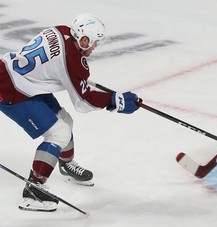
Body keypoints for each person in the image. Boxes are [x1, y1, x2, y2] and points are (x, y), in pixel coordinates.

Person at [0, 13, 140, 212]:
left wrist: (78, 79)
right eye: (93, 42)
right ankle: (33, 190)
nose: (95, 47)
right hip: (13, 90)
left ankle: (65, 164)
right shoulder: (73, 61)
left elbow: (58, 65)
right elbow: (83, 102)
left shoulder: (62, 30)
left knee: (64, 120)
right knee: (59, 133)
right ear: (83, 40)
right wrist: (113, 101)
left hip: (21, 78)